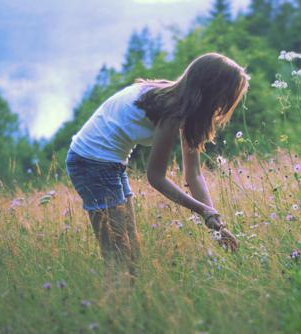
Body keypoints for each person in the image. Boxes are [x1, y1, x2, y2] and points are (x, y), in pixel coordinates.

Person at [65, 52, 249, 273]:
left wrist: (215, 222)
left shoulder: (180, 103)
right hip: (91, 164)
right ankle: (114, 305)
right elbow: (156, 177)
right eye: (224, 98)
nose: (222, 106)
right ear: (211, 92)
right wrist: (203, 212)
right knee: (120, 258)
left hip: (109, 164)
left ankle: (125, 303)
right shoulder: (170, 111)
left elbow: (194, 175)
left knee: (131, 255)